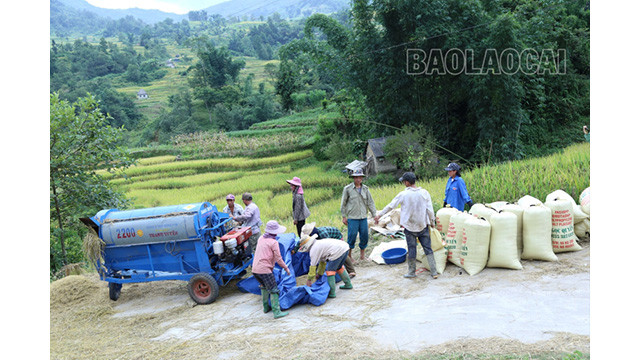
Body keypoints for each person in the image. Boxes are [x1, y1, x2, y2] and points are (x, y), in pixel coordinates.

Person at [375, 172, 438, 279]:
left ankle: (412, 272)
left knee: (412, 249)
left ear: (407, 182)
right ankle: (434, 271)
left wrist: (379, 215)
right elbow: (430, 210)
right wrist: (432, 223)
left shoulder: (403, 194)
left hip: (409, 227)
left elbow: (391, 206)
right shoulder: (424, 193)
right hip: (423, 225)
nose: (404, 183)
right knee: (428, 248)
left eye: (404, 181)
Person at [251, 220, 291, 319]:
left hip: (255, 269)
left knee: (264, 286)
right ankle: (277, 312)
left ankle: (265, 308)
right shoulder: (274, 242)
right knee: (274, 290)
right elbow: (279, 258)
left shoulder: (261, 238)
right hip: (265, 270)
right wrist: (286, 268)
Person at [298, 233, 353, 298]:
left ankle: (332, 292)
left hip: (337, 252)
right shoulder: (318, 243)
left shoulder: (313, 250)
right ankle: (348, 284)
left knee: (330, 271)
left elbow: (312, 266)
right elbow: (322, 262)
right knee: (339, 267)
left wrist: (309, 280)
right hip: (345, 248)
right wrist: (319, 274)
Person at [340, 168, 377, 261]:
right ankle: (349, 256)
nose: (358, 179)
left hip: (363, 217)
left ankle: (362, 256)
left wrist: (374, 214)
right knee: (352, 236)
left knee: (364, 235)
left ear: (362, 178)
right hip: (352, 217)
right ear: (353, 178)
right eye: (356, 177)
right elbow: (343, 203)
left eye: (360, 177)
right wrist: (344, 216)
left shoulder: (365, 189)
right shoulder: (348, 189)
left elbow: (370, 202)